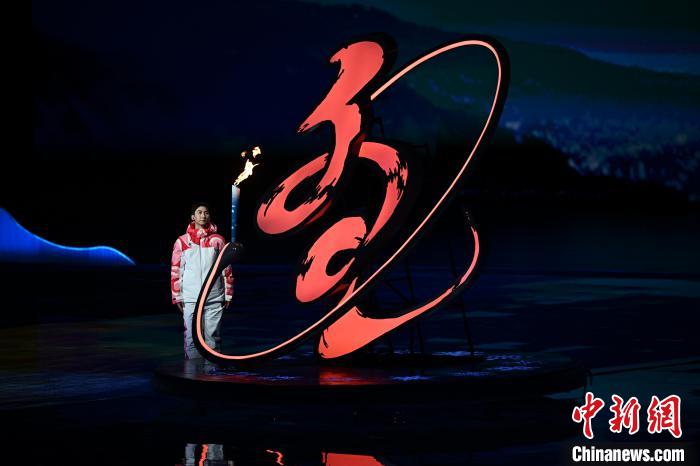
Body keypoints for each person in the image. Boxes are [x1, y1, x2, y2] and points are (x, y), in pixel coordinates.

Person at [171, 203, 233, 359]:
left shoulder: (218, 240)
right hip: (191, 297)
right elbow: (176, 270)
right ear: (193, 217)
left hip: (214, 296)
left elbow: (226, 268)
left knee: (213, 338)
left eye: (206, 212)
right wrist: (177, 296)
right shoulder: (182, 241)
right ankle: (192, 371)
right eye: (199, 212)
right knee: (191, 338)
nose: (203, 215)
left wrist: (228, 294)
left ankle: (212, 371)